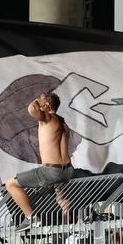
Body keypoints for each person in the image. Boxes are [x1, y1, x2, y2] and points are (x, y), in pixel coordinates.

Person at [5, 92, 74, 230]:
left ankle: (30, 218)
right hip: (68, 170)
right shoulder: (64, 124)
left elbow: (31, 108)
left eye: (41, 103)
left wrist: (41, 101)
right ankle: (69, 228)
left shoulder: (48, 119)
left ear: (46, 106)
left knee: (11, 183)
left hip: (52, 170)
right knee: (62, 199)